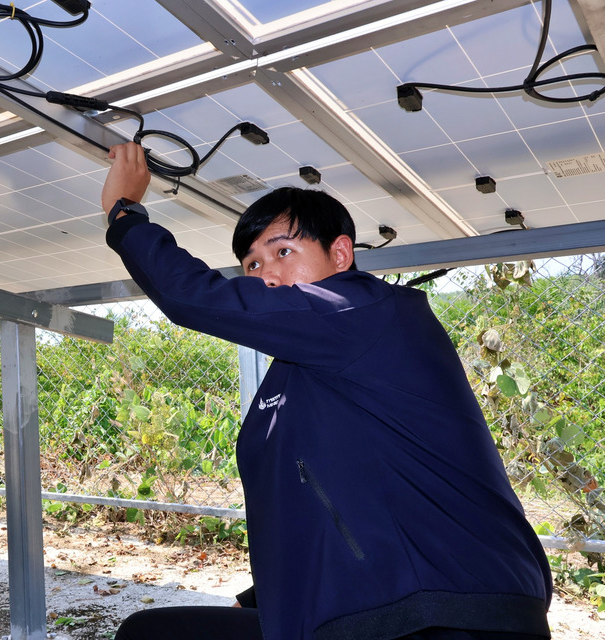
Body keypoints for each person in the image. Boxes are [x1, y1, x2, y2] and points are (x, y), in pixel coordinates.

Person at [100, 142, 552, 640]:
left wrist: (125, 215)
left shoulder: (369, 312)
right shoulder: (298, 373)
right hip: (364, 611)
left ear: (340, 254)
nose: (266, 275)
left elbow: (191, 296)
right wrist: (261, 596)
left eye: (283, 252)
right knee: (154, 633)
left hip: (449, 611)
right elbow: (326, 493)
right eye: (252, 265)